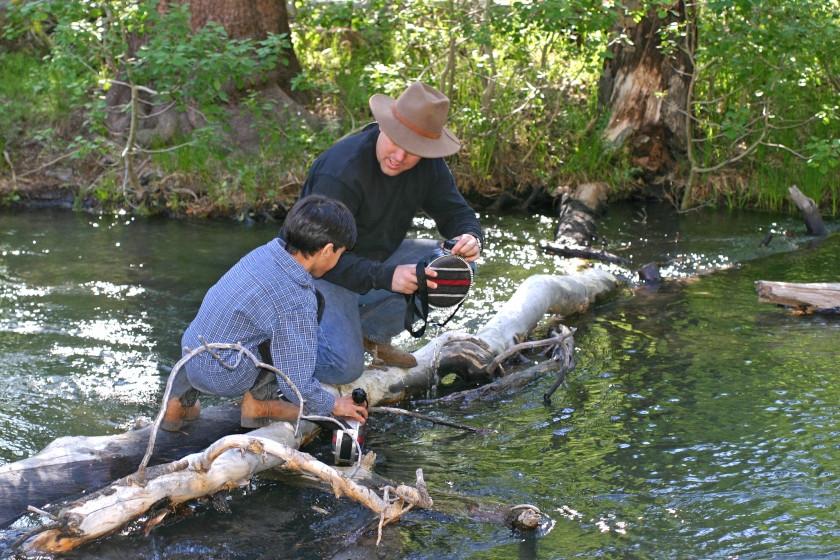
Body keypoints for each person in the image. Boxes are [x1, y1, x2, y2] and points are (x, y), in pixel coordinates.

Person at [289, 81, 484, 380]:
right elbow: (314, 259)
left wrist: (470, 237)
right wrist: (387, 276)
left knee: (457, 267)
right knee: (345, 369)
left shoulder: (429, 166)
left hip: (376, 260)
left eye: (414, 150)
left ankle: (373, 335)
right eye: (396, 141)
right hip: (319, 274)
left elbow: (457, 213)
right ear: (383, 126)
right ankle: (281, 360)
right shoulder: (341, 172)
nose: (400, 157)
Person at [161, 194, 369, 432]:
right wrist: (332, 404)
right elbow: (296, 383)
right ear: (327, 250)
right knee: (296, 328)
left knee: (229, 319)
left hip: (191, 355)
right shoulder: (297, 298)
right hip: (224, 374)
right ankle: (261, 405)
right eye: (340, 253)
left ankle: (177, 405)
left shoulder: (266, 252)